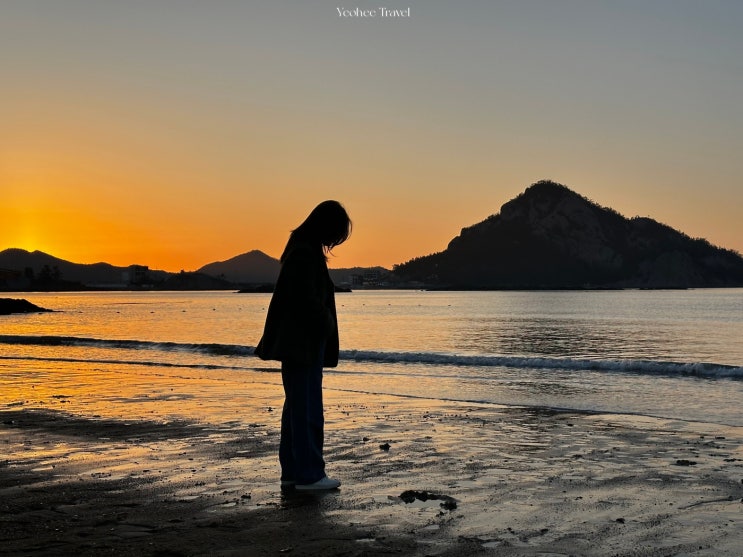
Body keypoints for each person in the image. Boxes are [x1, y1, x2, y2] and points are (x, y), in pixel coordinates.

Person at [255, 200, 351, 491]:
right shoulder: (304, 255)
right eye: (335, 235)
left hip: (299, 342)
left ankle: (294, 472)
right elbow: (306, 299)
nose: (334, 242)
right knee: (306, 408)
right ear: (324, 227)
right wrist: (326, 322)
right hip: (304, 343)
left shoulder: (300, 251)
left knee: (297, 407)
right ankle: (309, 474)